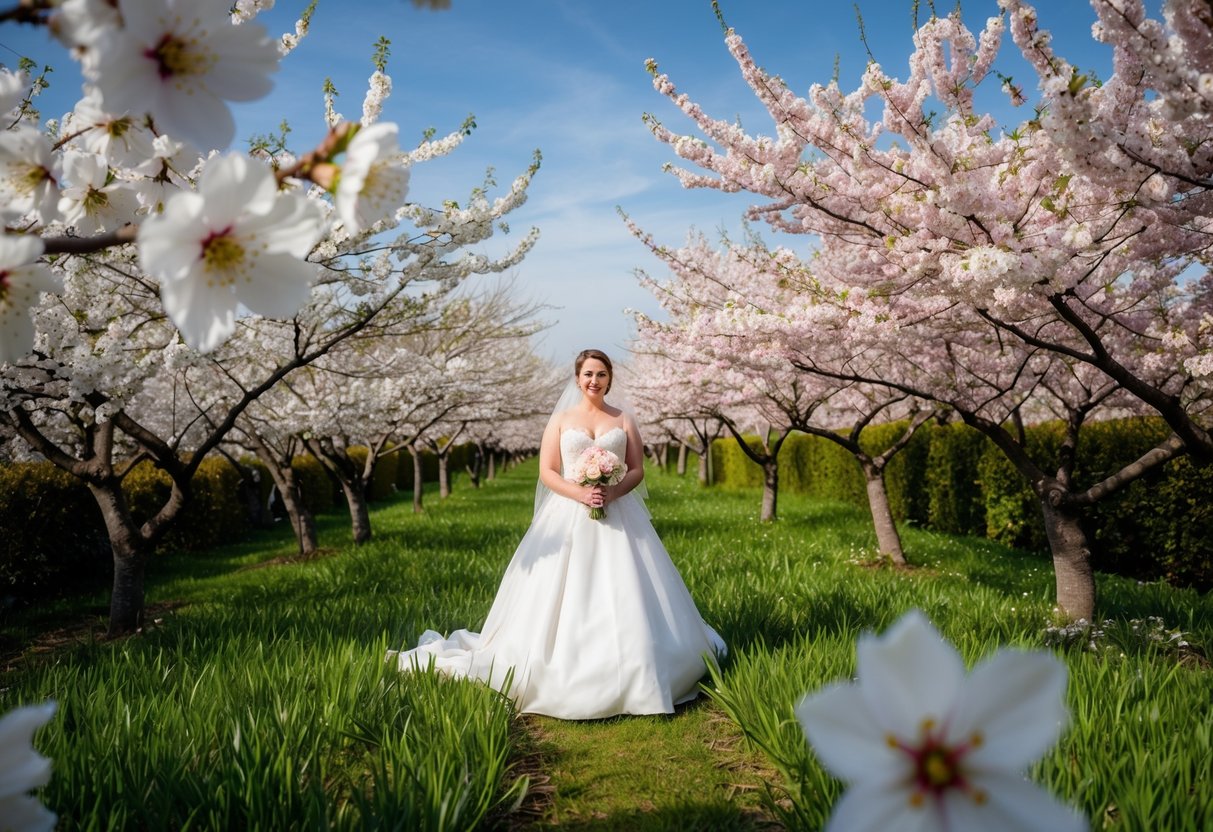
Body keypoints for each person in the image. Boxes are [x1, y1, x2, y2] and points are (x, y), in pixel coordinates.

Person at [391, 348, 725, 719]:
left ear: (610, 378)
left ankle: (641, 662)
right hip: (568, 512)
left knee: (628, 586)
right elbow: (548, 471)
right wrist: (581, 492)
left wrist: (611, 492)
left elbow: (636, 469)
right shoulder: (562, 419)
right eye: (587, 374)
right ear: (577, 378)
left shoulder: (624, 419)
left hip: (618, 513)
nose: (594, 381)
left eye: (600, 374)